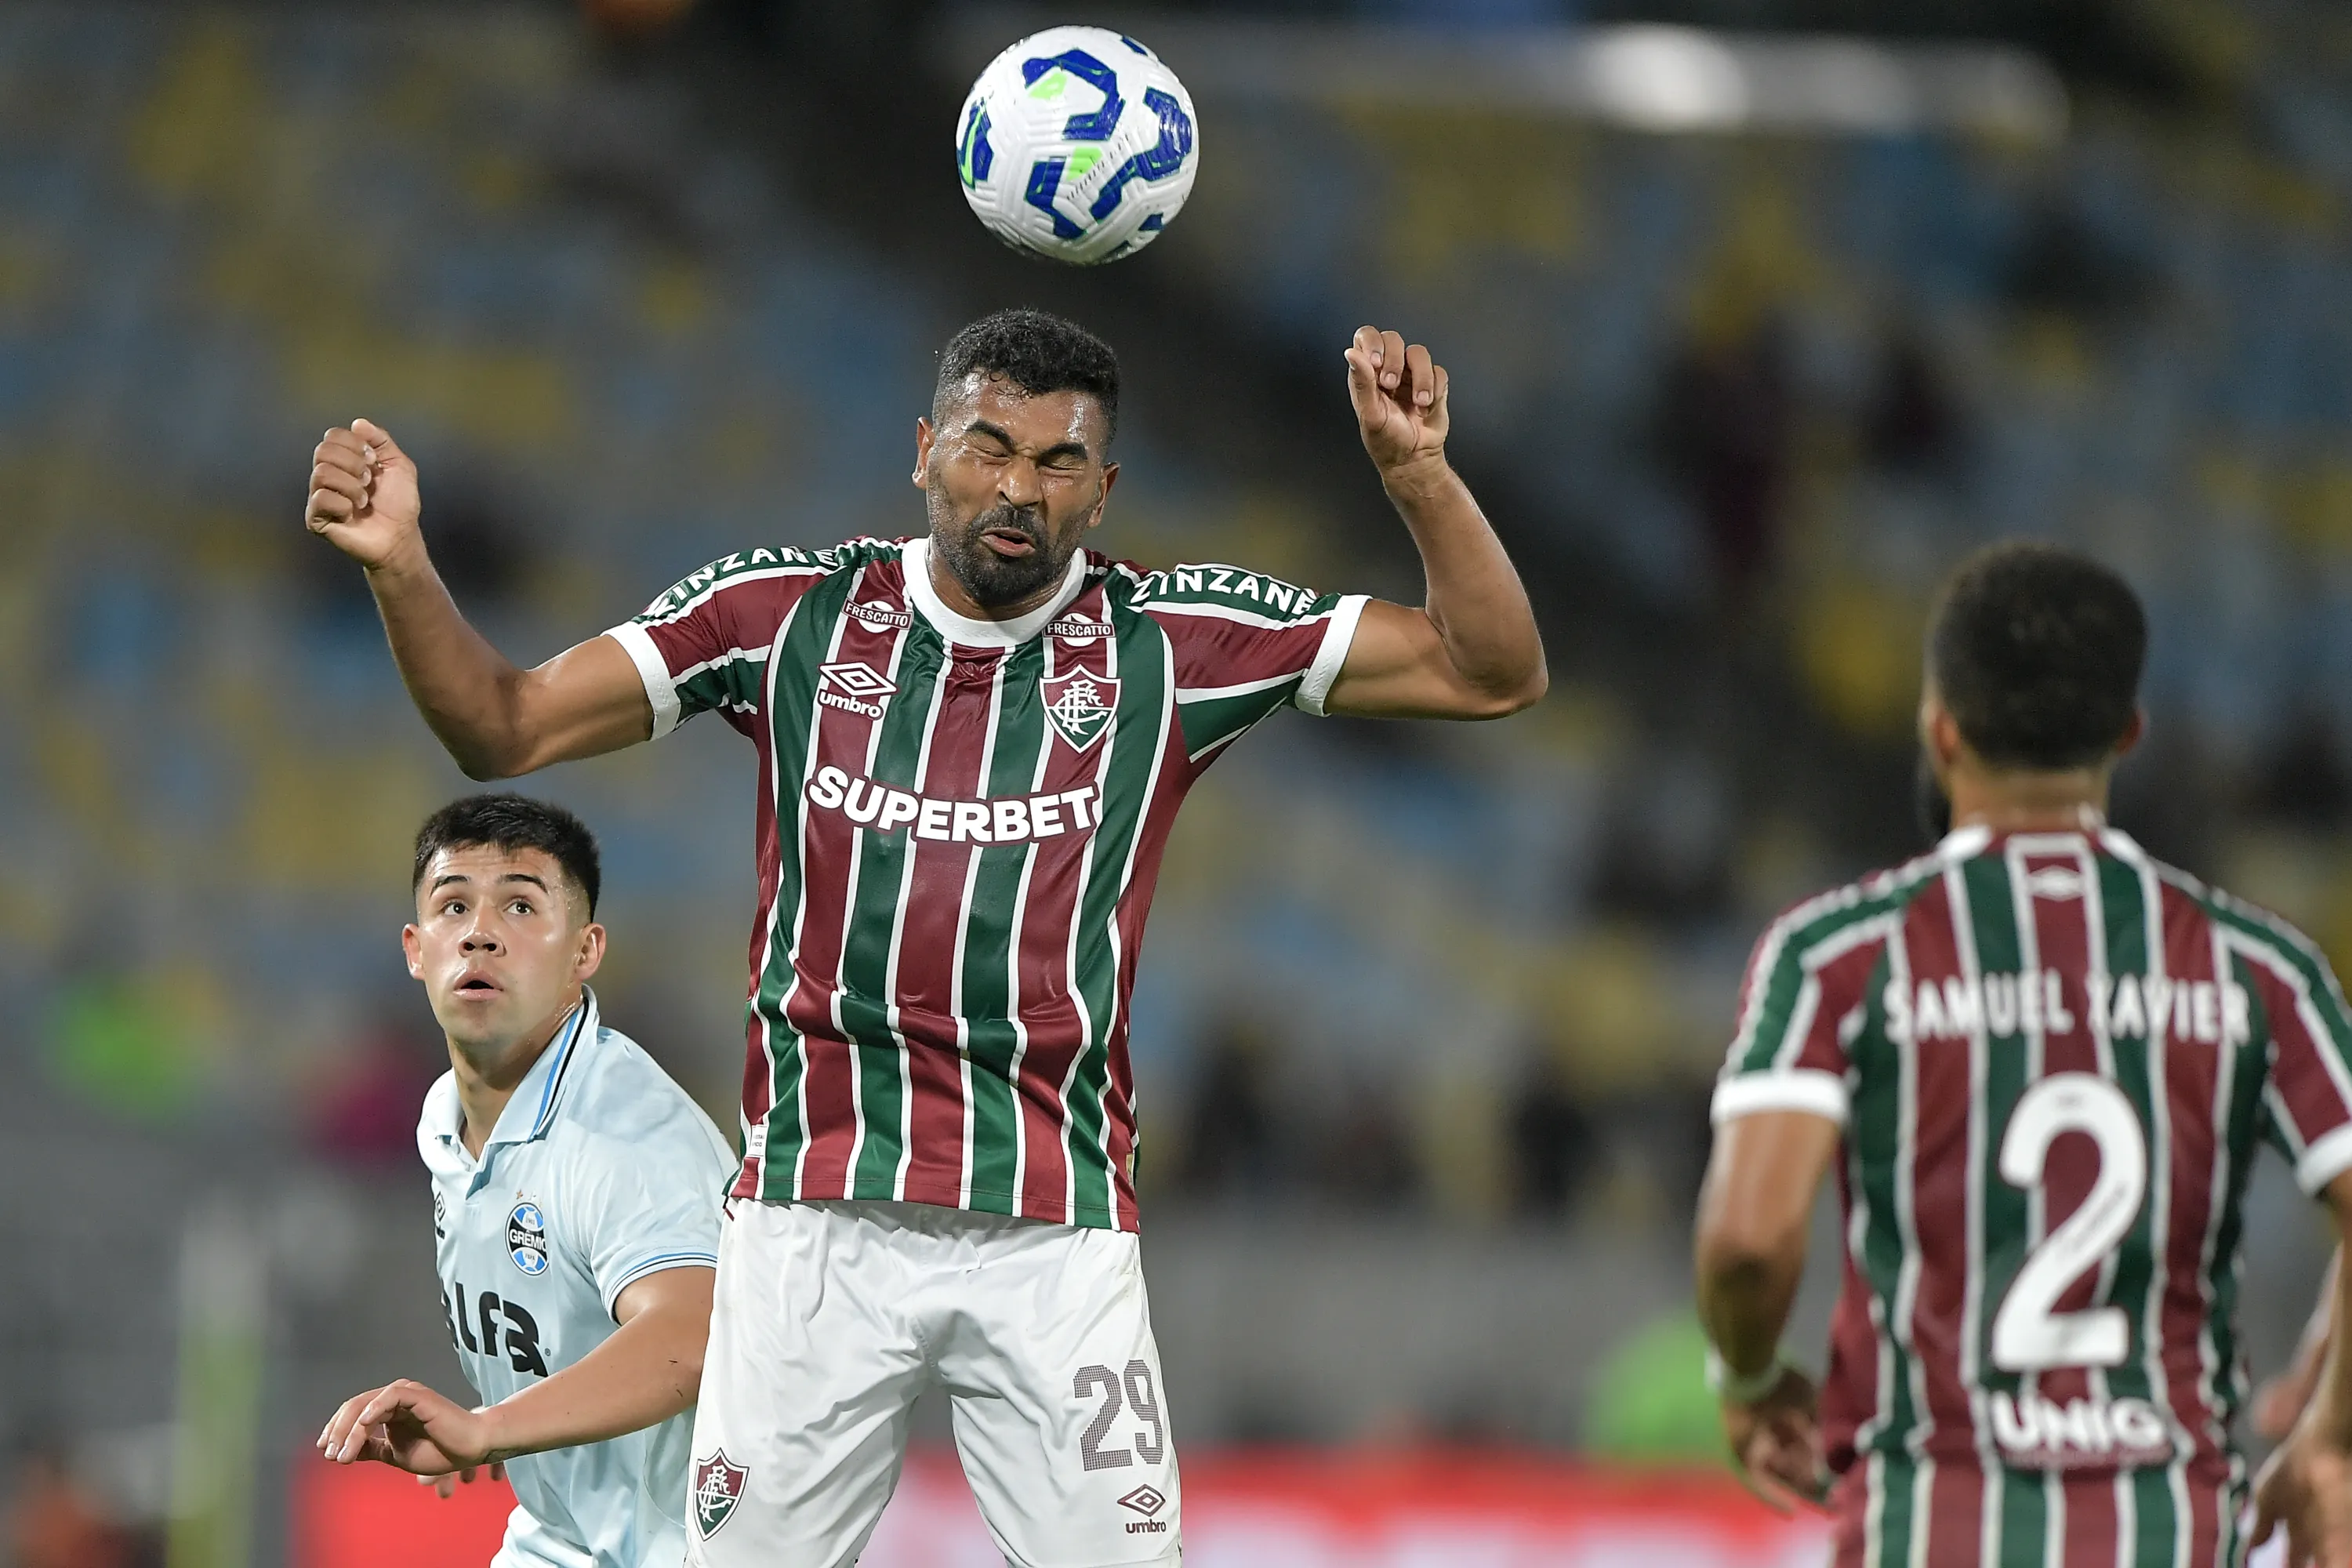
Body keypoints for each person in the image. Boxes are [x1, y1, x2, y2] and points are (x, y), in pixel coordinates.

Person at [302, 308, 1546, 1566]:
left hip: (1053, 1232)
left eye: (1060, 463)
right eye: (986, 445)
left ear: (1104, 491)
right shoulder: (788, 617)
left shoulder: (1169, 646)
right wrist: (402, 563)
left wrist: (1418, 477)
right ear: (922, 450)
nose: (1017, 489)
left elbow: (1489, 670)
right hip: (811, 1223)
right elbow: (504, 726)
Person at [1692, 542, 2352, 1567]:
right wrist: (2332, 1444)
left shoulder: (1837, 956)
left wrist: (1745, 1376)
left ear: (1940, 727)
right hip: (2168, 1524)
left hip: (1932, 1521)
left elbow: (1745, 1243)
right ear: (2129, 734)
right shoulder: (2259, 968)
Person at [318, 794, 735, 1568]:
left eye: (519, 904)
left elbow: (693, 1335)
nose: (479, 932)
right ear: (415, 949)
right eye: (453, 907)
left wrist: (491, 1428)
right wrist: (494, 1427)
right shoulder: (446, 1120)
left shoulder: (626, 1129)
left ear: (585, 950)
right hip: (564, 1536)